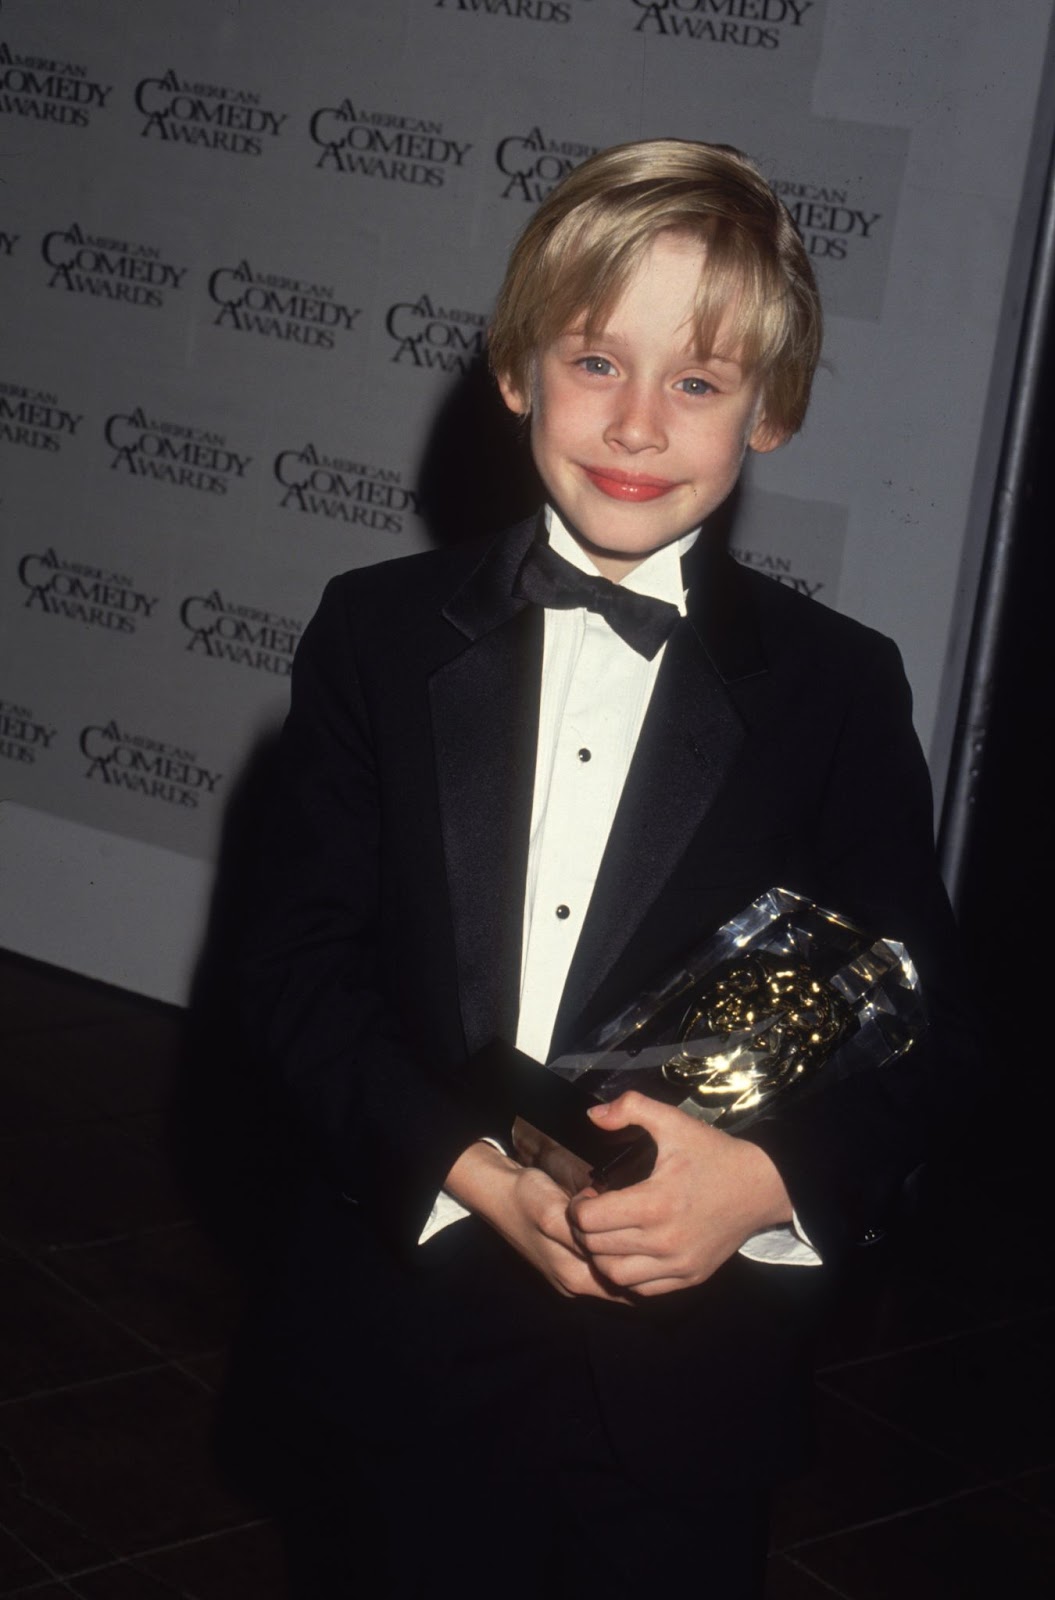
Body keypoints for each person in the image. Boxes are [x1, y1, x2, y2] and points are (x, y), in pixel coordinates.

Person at [240, 140, 974, 1597]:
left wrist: (764, 1183)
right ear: (516, 371)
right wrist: (470, 1173)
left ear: (771, 411)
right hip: (409, 1338)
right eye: (596, 362)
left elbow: (925, 1027)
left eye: (698, 382)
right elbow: (290, 974)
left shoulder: (836, 688)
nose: (639, 423)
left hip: (682, 1390)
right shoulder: (376, 638)